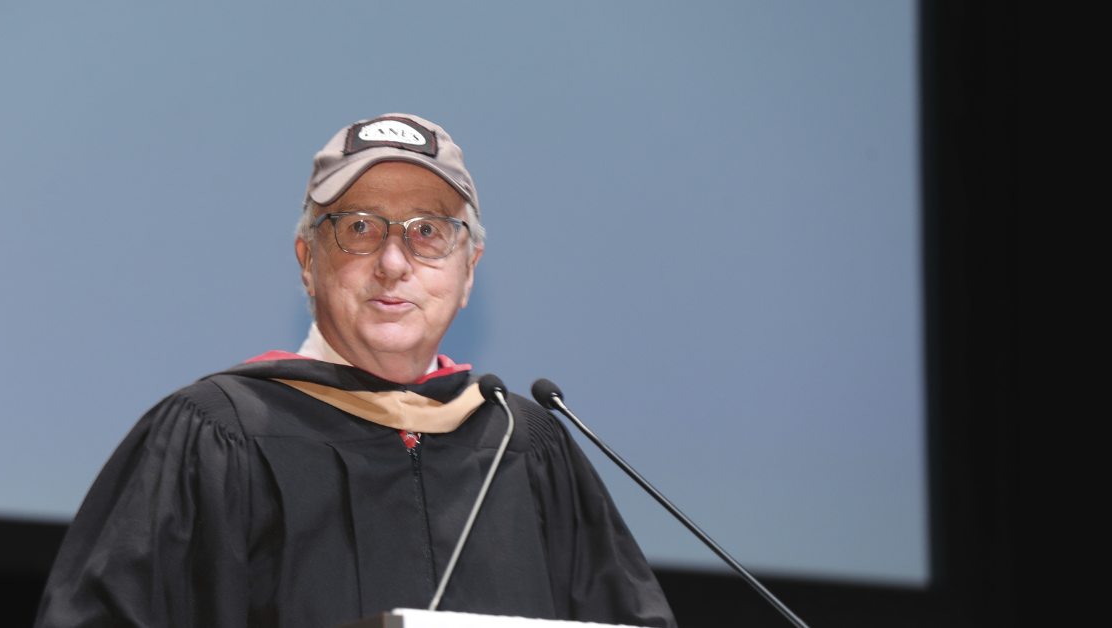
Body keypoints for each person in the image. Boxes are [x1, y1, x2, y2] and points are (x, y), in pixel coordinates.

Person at [34, 114, 674, 628]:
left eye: (429, 232)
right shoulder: (214, 434)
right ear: (307, 260)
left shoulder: (525, 446)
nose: (394, 263)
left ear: (469, 271)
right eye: (361, 227)